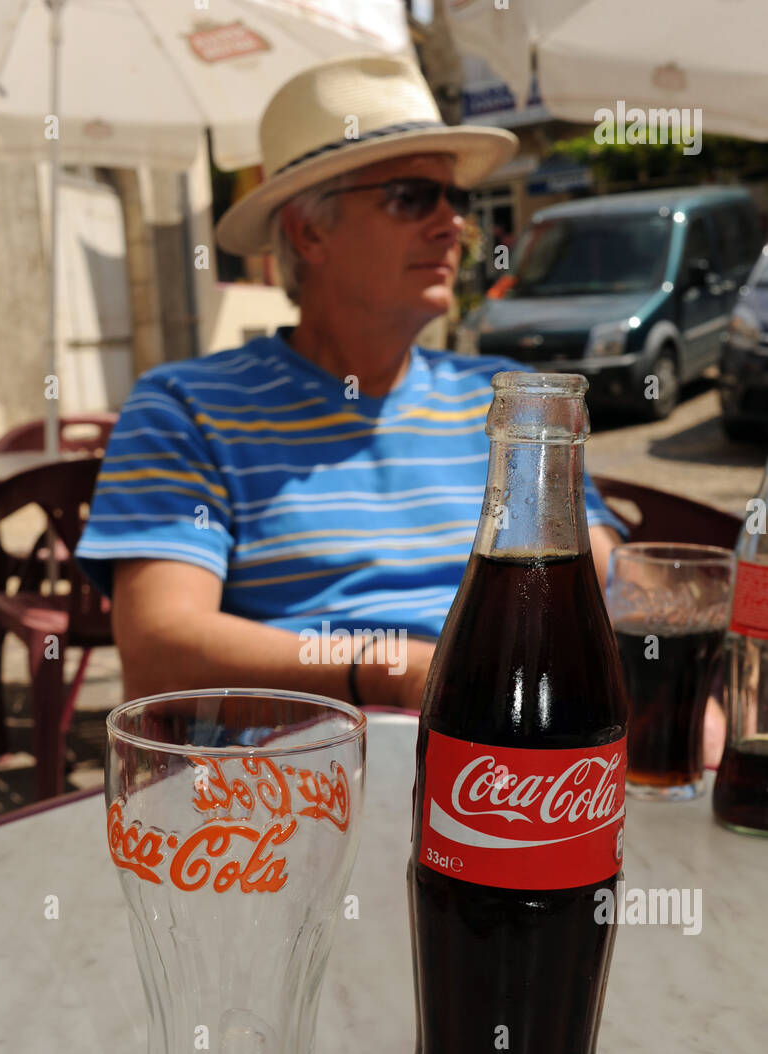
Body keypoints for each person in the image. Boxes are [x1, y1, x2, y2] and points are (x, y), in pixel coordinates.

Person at [75, 55, 626, 710]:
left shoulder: (509, 402)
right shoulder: (186, 406)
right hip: (300, 781)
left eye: (457, 198)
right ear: (309, 231)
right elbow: (159, 650)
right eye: (412, 197)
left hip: (508, 757)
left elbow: (609, 584)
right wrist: (392, 674)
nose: (452, 223)